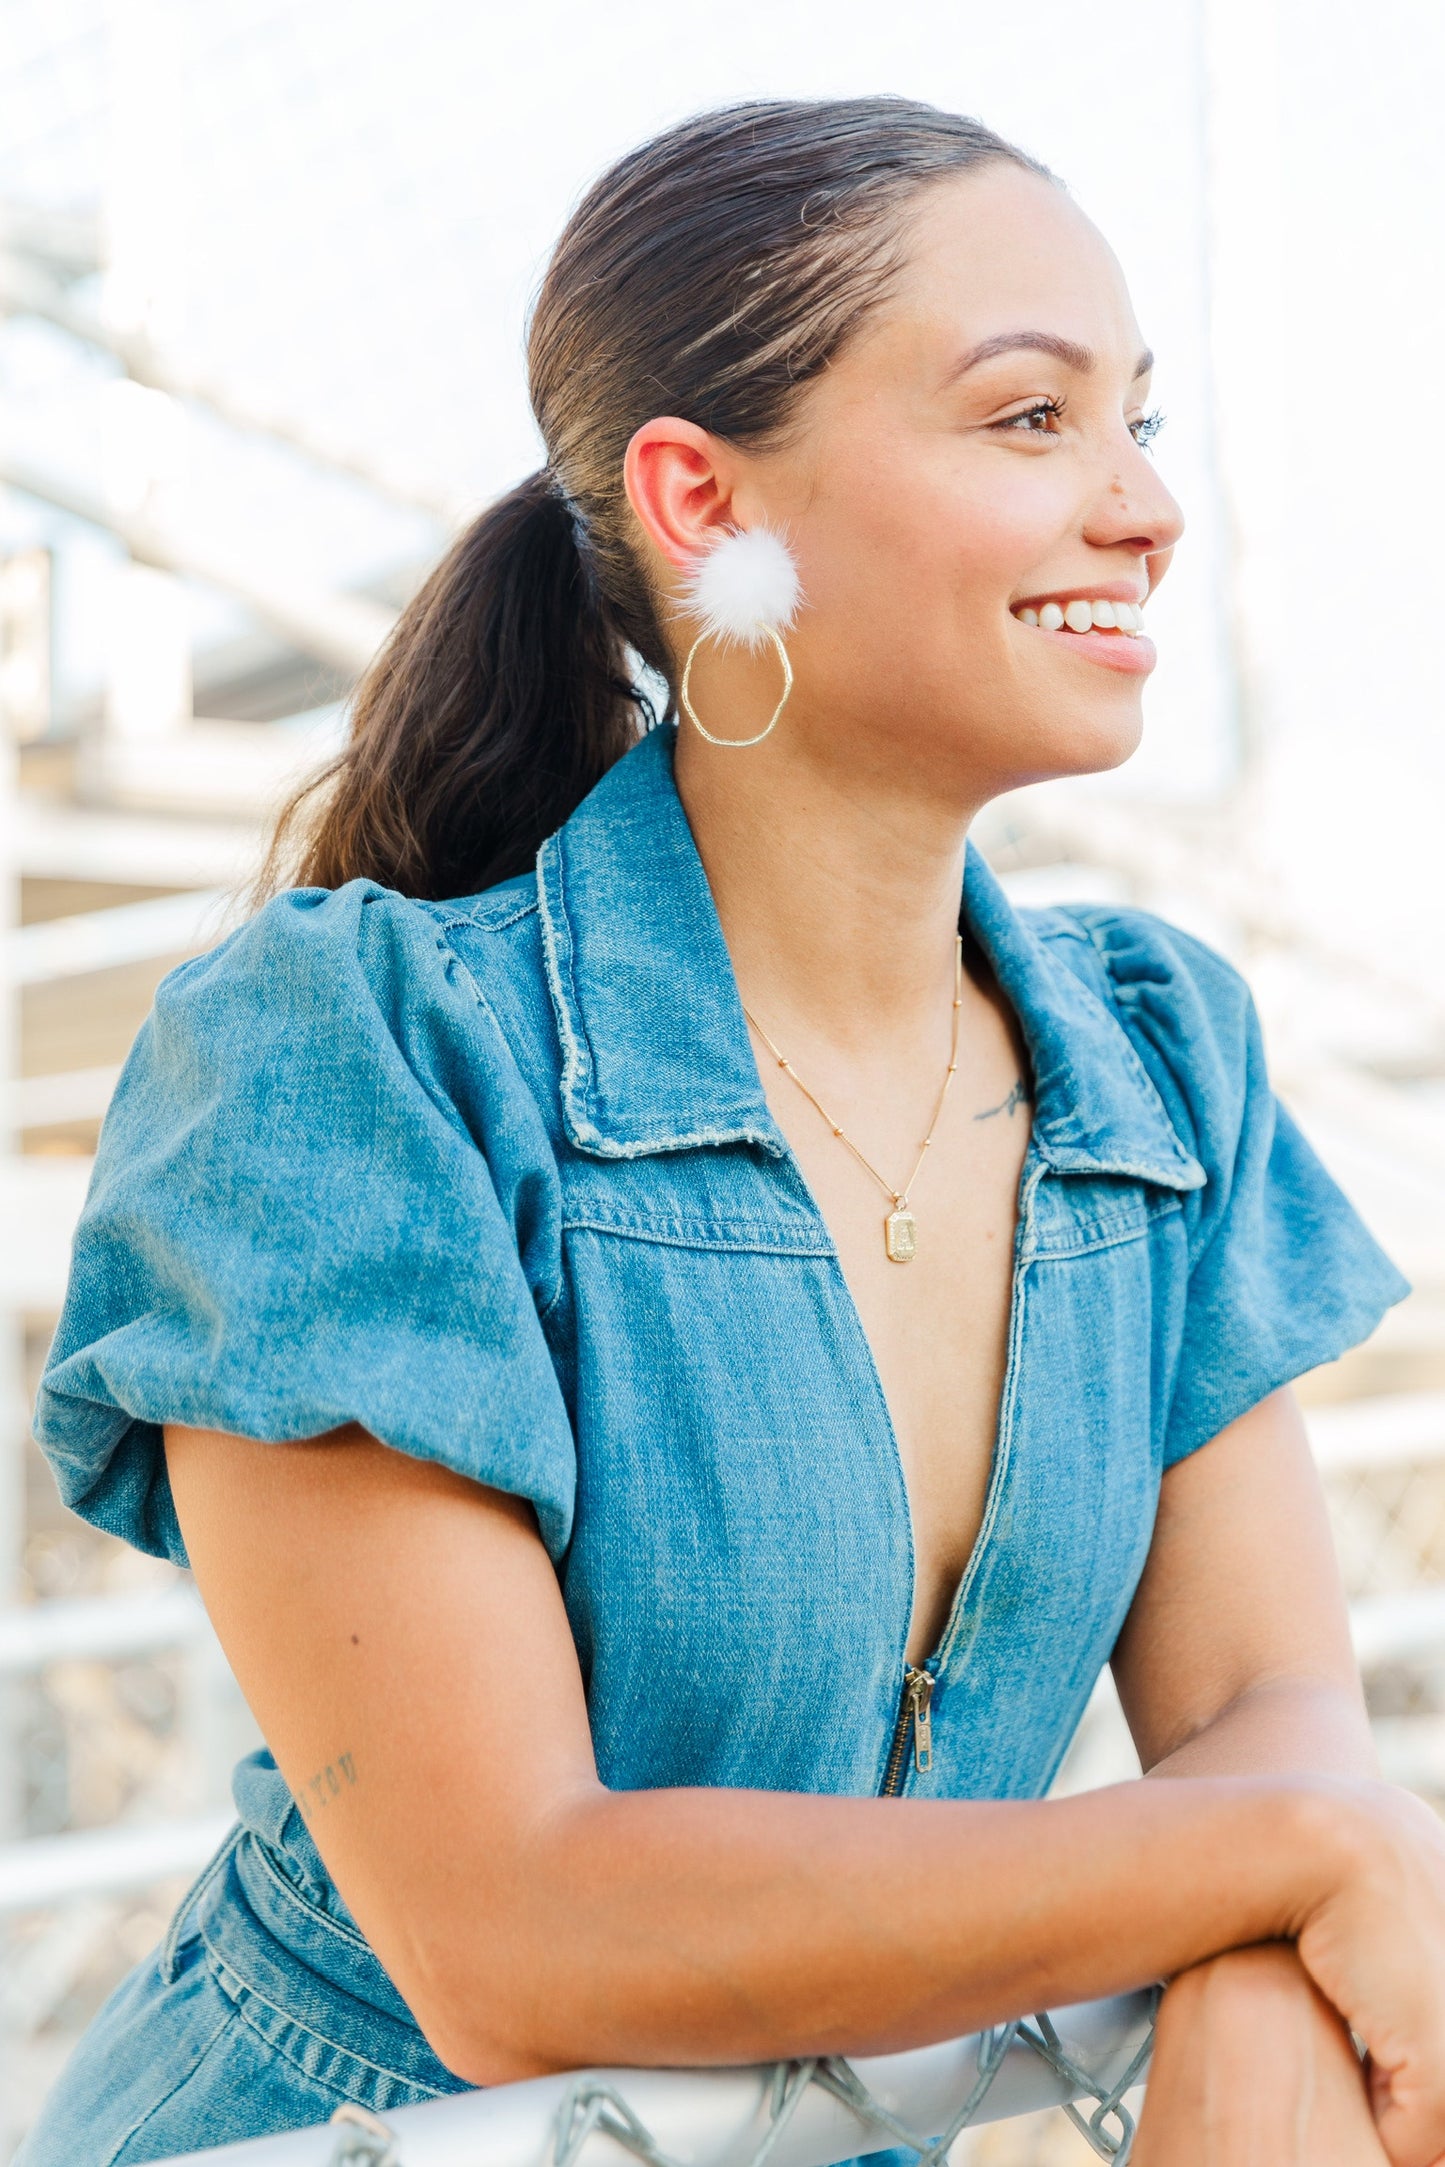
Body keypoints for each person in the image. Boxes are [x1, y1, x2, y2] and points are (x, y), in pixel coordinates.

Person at [23, 96, 1445, 2167]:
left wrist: (1260, 1962)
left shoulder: (1159, 1060)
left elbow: (1257, 1722)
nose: (1144, 505)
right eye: (1028, 418)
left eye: (1137, 420)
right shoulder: (358, 1059)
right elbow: (514, 1931)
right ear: (701, 503)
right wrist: (1294, 1856)